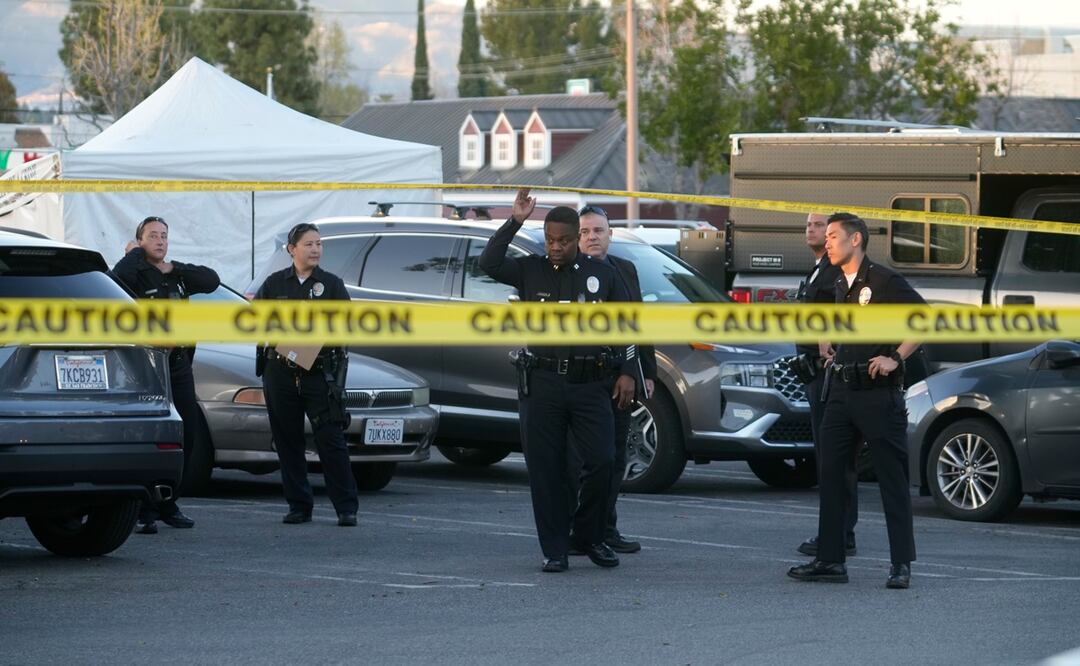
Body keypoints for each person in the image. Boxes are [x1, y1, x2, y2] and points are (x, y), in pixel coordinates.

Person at [479, 189, 638, 573]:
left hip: (590, 383)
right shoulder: (530, 270)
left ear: (577, 240)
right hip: (543, 383)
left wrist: (628, 372)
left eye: (563, 241)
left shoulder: (603, 274)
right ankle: (555, 549)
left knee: (602, 461)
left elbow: (629, 323)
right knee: (546, 470)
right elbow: (489, 261)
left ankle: (588, 535)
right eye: (550, 240)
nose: (555, 247)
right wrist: (515, 220)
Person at [788, 213, 924, 589]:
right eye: (826, 236)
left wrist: (895, 357)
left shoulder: (883, 280)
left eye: (833, 236)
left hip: (878, 394)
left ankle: (901, 564)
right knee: (830, 476)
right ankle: (830, 560)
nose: (826, 242)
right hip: (841, 392)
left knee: (891, 480)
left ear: (856, 240)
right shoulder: (838, 284)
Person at [112, 215, 220, 535]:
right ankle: (144, 509)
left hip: (178, 362)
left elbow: (212, 280)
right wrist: (135, 253)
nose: (160, 241)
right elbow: (117, 277)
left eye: (164, 236)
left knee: (184, 433)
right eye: (152, 236)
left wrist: (174, 269)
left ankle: (168, 503)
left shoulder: (177, 274)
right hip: (146, 364)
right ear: (140, 240)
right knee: (151, 435)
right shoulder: (134, 271)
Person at [252, 222, 359, 527]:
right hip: (280, 370)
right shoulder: (274, 284)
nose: (315, 249)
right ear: (292, 249)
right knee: (288, 441)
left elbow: (347, 326)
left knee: (330, 440)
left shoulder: (332, 284)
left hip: (318, 373)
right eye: (309, 244)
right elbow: (255, 321)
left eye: (319, 244)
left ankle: (346, 507)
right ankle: (299, 505)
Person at [572, 204, 658, 555]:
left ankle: (606, 529)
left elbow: (637, 322)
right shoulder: (568, 271)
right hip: (582, 382)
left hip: (622, 377)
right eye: (586, 232)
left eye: (599, 231)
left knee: (615, 458)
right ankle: (580, 531)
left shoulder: (625, 269)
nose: (593, 237)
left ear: (610, 234)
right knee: (587, 461)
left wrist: (645, 371)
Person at [791, 213, 857, 558]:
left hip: (828, 373)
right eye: (810, 226)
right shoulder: (817, 270)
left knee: (835, 458)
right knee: (826, 456)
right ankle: (835, 530)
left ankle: (840, 532)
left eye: (822, 227)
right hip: (812, 374)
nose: (814, 232)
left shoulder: (835, 273)